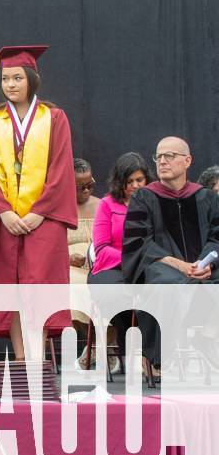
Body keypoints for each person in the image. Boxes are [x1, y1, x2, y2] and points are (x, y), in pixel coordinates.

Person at [0, 45, 77, 359]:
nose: (10, 84)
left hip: (43, 220)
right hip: (2, 220)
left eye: (17, 77)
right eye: (5, 79)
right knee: (10, 289)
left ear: (32, 79)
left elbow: (61, 167)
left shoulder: (54, 118)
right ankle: (20, 358)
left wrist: (40, 212)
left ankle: (36, 356)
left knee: (39, 289)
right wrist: (2, 211)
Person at [122, 137, 219, 372]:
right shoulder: (143, 198)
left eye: (170, 156)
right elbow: (139, 243)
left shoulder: (207, 197)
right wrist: (180, 266)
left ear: (187, 161)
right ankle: (160, 358)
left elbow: (216, 237)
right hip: (160, 265)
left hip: (202, 266)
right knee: (168, 284)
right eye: (159, 156)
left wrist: (207, 264)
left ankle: (207, 335)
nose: (162, 161)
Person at [87, 152, 151, 373]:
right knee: (118, 293)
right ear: (120, 181)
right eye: (129, 181)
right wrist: (132, 260)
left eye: (139, 180)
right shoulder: (107, 204)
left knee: (156, 291)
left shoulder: (153, 205)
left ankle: (148, 354)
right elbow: (101, 249)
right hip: (110, 267)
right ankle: (136, 353)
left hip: (145, 268)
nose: (134, 185)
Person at [68, 159, 100, 326]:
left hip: (98, 266)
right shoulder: (58, 209)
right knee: (74, 285)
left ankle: (99, 345)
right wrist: (67, 259)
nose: (86, 190)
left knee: (108, 285)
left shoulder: (102, 206)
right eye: (80, 187)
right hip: (68, 268)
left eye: (90, 184)